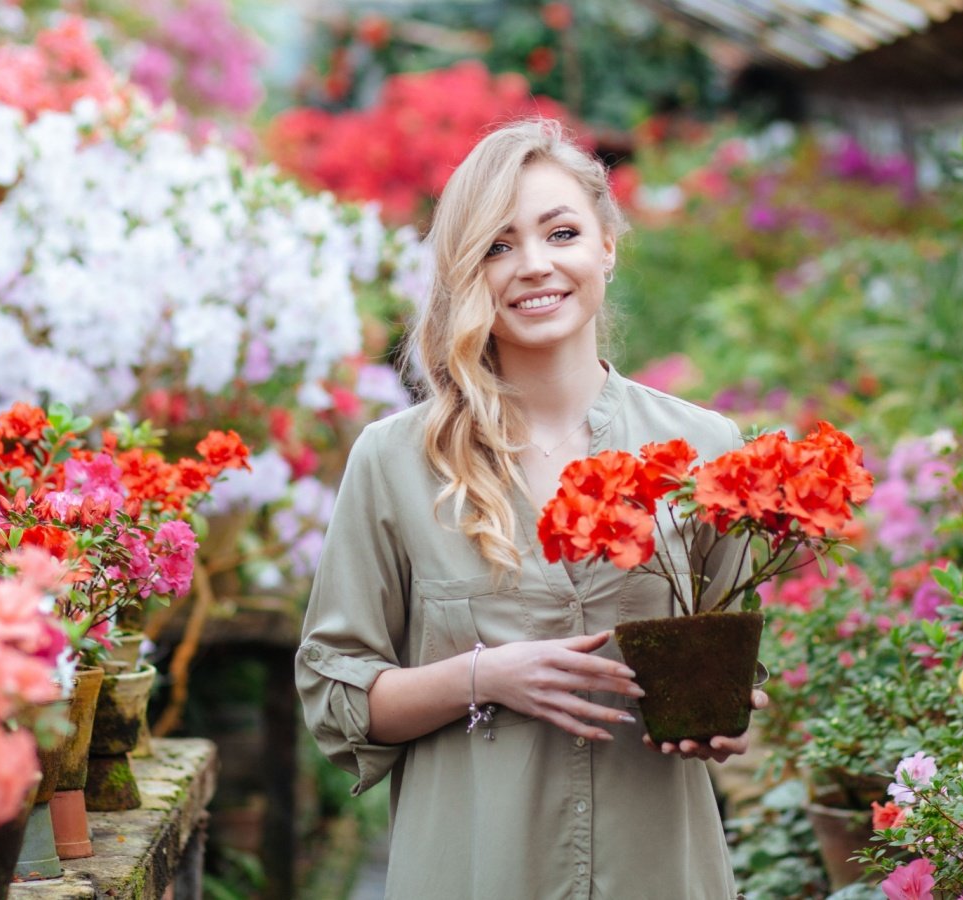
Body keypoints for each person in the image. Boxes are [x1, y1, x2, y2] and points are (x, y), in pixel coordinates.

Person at [295, 119, 766, 900]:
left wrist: (726, 712)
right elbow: (335, 694)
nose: (535, 266)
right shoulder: (396, 461)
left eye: (561, 232)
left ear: (607, 246)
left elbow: (732, 660)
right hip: (472, 872)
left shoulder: (704, 447)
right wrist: (485, 676)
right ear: (465, 272)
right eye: (499, 245)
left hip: (657, 869)